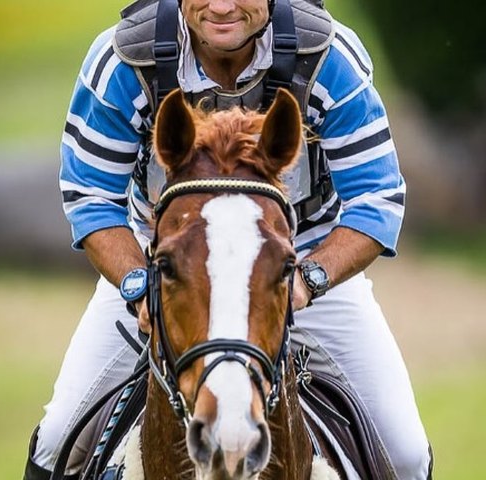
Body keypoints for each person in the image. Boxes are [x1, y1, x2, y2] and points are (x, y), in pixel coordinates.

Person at [23, 0, 432, 478]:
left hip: (298, 261)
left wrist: (305, 281)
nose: (220, 6)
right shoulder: (124, 60)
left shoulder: (327, 57)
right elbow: (91, 197)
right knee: (57, 443)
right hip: (168, 264)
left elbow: (377, 199)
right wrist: (141, 286)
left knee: (404, 454)